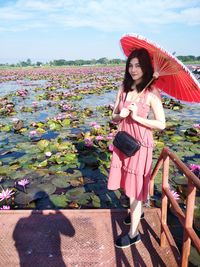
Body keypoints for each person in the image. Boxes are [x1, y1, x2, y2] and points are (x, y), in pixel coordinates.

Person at [107, 48, 166, 248]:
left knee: (134, 190)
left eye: (138, 65)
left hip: (140, 145)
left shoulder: (151, 92)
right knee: (126, 183)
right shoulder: (123, 88)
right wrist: (120, 115)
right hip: (123, 140)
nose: (133, 69)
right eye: (131, 65)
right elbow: (113, 118)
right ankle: (137, 212)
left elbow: (161, 124)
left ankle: (133, 234)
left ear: (146, 68)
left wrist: (138, 117)